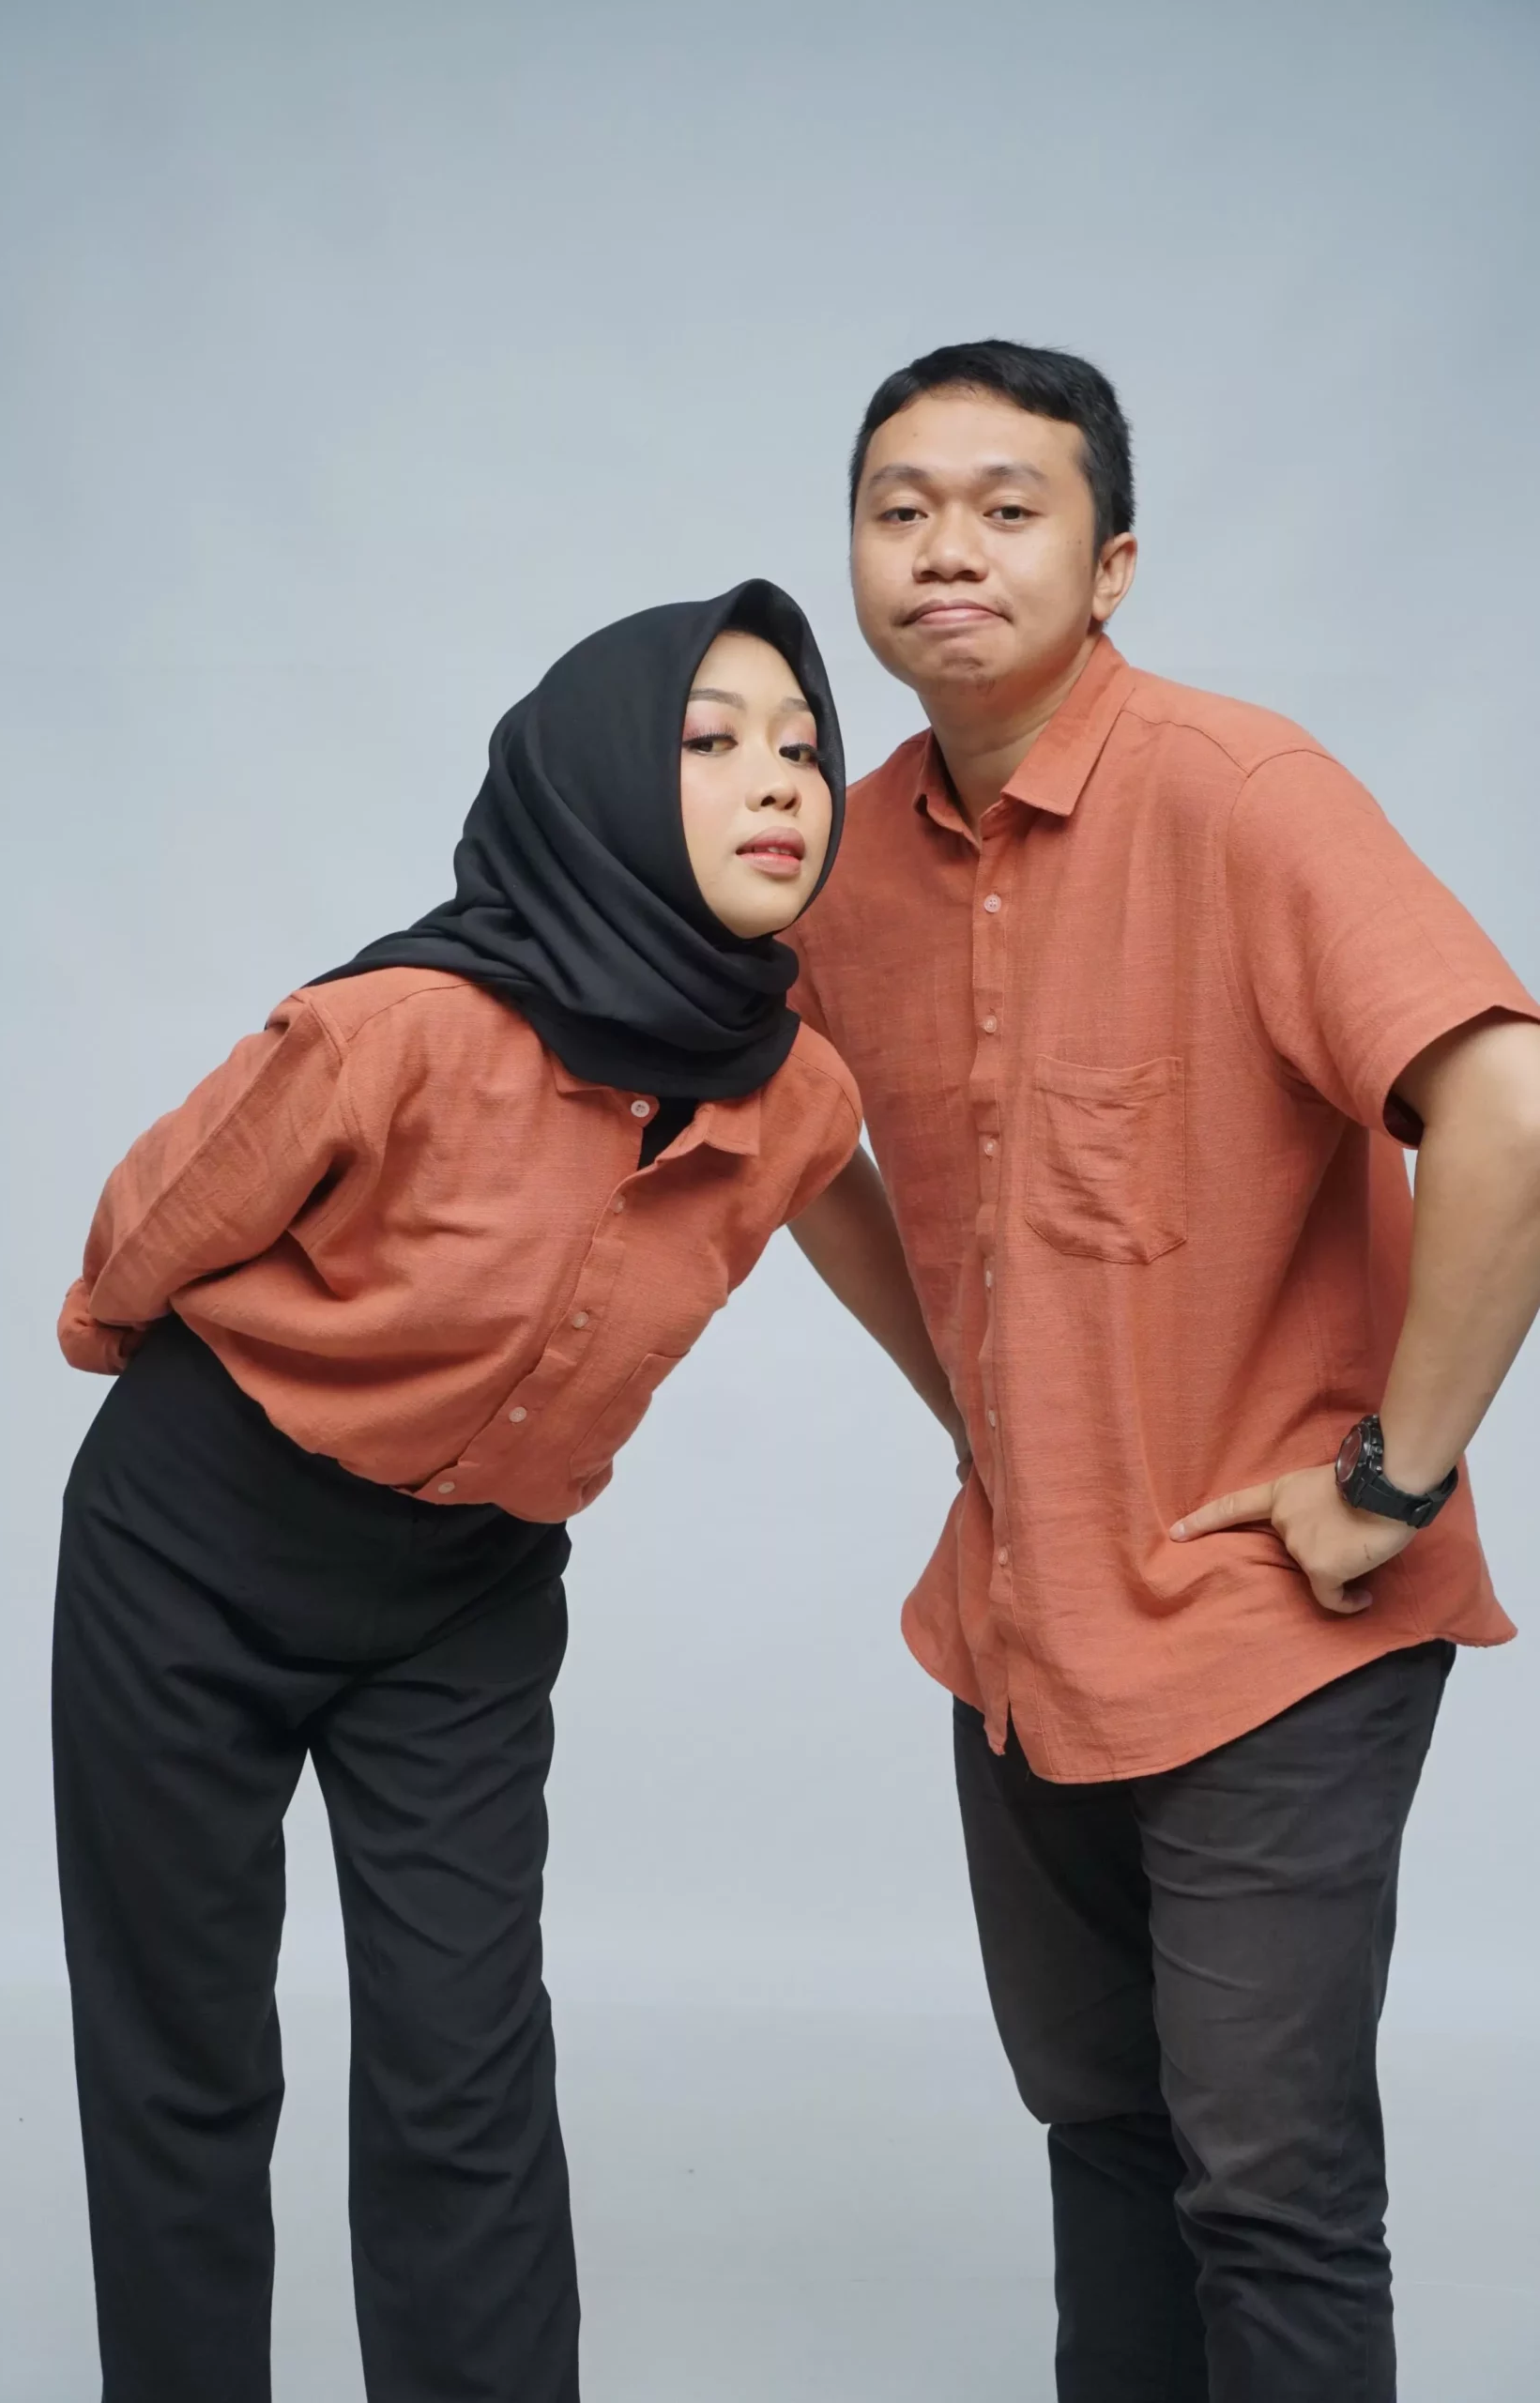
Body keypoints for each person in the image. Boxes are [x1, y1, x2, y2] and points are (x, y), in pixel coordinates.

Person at [785, 340, 1540, 2402]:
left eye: (1006, 507)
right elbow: (785, 1131)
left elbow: (1508, 1108)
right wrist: (972, 1401)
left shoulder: (1238, 790)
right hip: (1023, 1630)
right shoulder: (843, 858)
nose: (946, 546)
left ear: (1111, 564)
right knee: (1106, 2140)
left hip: (1270, 1628)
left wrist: (1393, 1479)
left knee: (1268, 2189)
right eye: (899, 507)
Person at [52, 580, 859, 2403]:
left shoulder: (799, 1096)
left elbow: (832, 1230)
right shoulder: (399, 1026)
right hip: (194, 1546)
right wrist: (233, 1421)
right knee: (186, 2048)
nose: (777, 780)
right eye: (712, 741)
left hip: (466, 1595)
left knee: (464, 2061)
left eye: (804, 747)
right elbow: (144, 1238)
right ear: (597, 780)